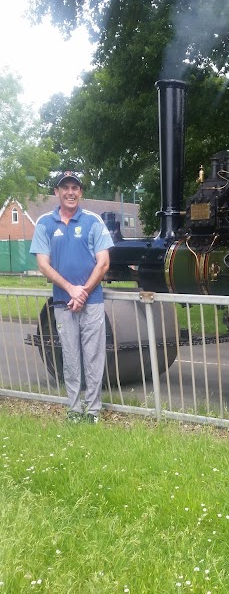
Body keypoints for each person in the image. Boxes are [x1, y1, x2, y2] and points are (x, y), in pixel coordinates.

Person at [30, 171, 114, 422]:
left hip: (93, 301)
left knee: (93, 356)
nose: (70, 192)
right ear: (56, 192)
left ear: (81, 193)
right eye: (64, 187)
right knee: (70, 356)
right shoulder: (44, 223)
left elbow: (104, 263)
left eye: (75, 188)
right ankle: (74, 408)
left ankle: (93, 410)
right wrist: (71, 290)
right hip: (62, 302)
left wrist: (83, 292)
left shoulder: (93, 221)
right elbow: (43, 265)